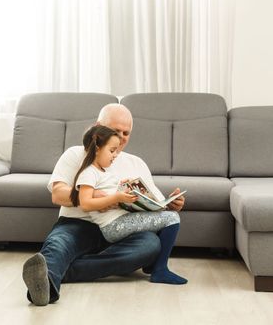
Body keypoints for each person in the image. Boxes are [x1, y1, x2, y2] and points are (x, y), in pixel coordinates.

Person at [22, 103, 185, 306]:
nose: (122, 136)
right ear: (97, 127)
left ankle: (59, 272)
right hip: (77, 223)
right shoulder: (75, 154)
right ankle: (44, 286)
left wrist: (171, 205)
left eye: (126, 132)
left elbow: (155, 204)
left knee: (150, 245)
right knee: (59, 245)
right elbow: (57, 194)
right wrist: (95, 197)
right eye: (116, 130)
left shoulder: (137, 163)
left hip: (122, 228)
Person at [71, 125, 187, 284]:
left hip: (119, 220)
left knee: (167, 216)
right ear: (97, 149)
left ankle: (154, 265)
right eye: (112, 151)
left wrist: (122, 187)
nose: (115, 155)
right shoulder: (88, 173)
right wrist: (117, 196)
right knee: (172, 218)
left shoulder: (103, 172)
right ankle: (159, 270)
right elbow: (85, 203)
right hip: (113, 226)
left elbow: (108, 193)